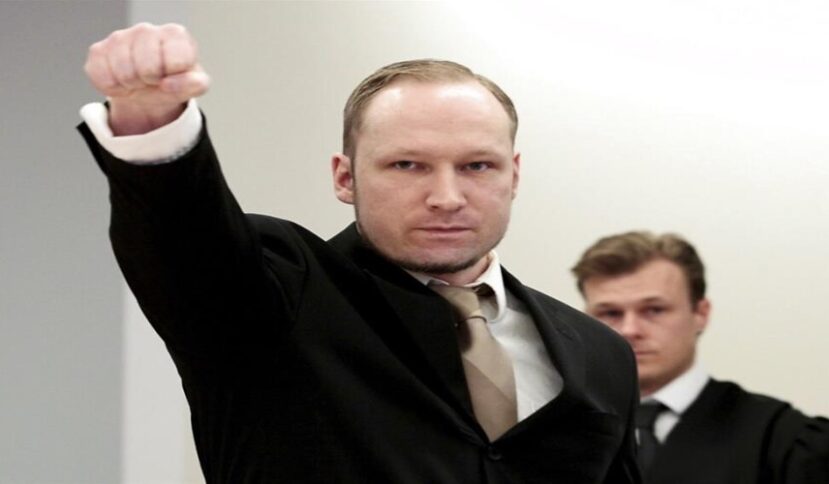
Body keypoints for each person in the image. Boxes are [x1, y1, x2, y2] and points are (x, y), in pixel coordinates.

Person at [78, 23, 641, 483]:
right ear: (345, 178)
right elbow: (185, 242)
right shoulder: (278, 294)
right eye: (407, 165)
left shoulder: (601, 352)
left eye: (477, 165)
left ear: (512, 175)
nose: (447, 197)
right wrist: (153, 123)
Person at [571, 230, 829, 483]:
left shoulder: (786, 442)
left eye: (654, 310)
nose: (630, 330)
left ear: (701, 313)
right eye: (610, 313)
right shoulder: (563, 437)